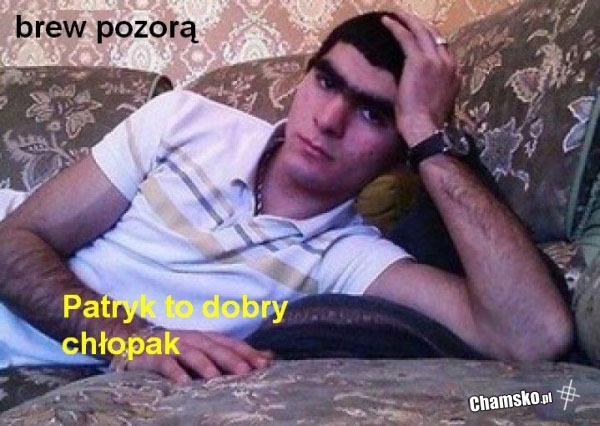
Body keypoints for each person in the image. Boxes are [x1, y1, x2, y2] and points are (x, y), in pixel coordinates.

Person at [0, 11, 573, 382]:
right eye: (327, 82)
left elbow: (533, 336)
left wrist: (429, 135)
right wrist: (132, 339)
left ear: (400, 153)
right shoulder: (184, 122)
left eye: (373, 115)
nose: (329, 120)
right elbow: (15, 243)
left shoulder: (345, 258)